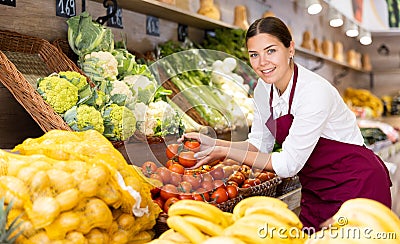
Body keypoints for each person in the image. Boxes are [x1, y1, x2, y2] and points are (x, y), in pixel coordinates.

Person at [178, 16, 392, 230]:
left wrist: (224, 152)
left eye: (271, 51)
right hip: (316, 190)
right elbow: (259, 145)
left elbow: (288, 165)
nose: (262, 63)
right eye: (254, 55)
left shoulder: (313, 91)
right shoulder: (263, 90)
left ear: (290, 49)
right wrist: (215, 144)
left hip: (356, 186)